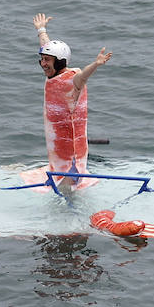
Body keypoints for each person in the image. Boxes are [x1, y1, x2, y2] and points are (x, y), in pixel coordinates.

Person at [31, 13, 112, 189]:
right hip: (56, 141)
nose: (43, 64)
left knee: (68, 187)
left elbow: (82, 77)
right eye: (42, 60)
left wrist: (96, 64)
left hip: (71, 149)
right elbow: (46, 46)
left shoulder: (72, 79)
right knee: (56, 167)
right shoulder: (53, 74)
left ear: (60, 63)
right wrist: (41, 29)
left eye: (47, 60)